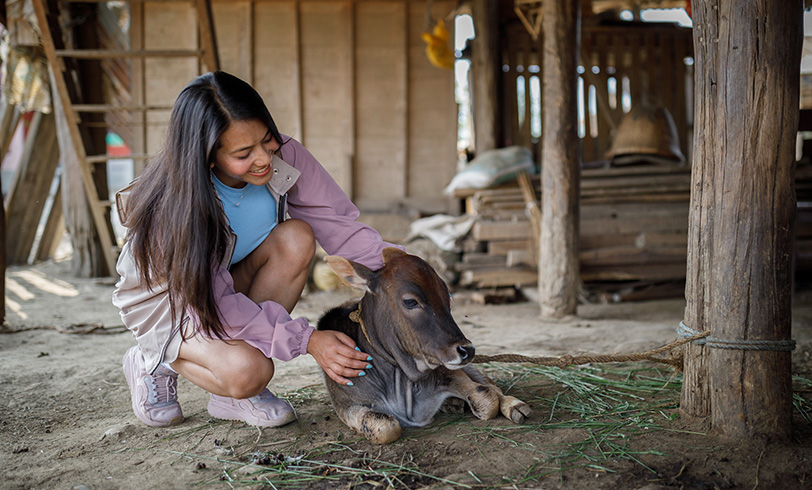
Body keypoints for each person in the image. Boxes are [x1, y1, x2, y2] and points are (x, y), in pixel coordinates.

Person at [113, 71, 401, 428]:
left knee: (297, 237)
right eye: (243, 153)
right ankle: (153, 358)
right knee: (250, 371)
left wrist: (404, 273)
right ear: (207, 156)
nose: (265, 159)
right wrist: (308, 340)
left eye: (267, 140)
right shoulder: (178, 207)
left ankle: (228, 399)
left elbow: (339, 225)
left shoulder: (285, 158)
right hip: (172, 303)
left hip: (228, 279)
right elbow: (216, 304)